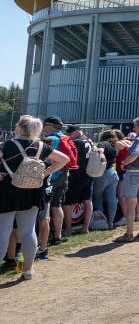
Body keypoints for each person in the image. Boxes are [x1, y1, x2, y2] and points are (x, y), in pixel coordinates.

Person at [0, 115, 69, 280]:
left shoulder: (8, 145)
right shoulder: (41, 146)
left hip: (8, 191)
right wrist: (44, 174)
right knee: (28, 231)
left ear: (18, 128)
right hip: (32, 191)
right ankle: (28, 270)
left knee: (3, 231)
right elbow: (64, 160)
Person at [42, 116, 76, 245]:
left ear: (50, 126)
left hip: (51, 175)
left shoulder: (51, 139)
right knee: (57, 205)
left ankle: (43, 238)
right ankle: (58, 235)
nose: (43, 127)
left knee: (45, 207)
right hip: (63, 175)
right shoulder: (66, 138)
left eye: (45, 125)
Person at [63, 125, 96, 235]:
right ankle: (85, 227)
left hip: (78, 175)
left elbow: (73, 159)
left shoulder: (77, 142)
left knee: (68, 202)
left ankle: (68, 229)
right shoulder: (89, 140)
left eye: (70, 134)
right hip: (90, 173)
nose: (69, 136)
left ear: (77, 132)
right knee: (87, 200)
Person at [91, 130, 119, 230]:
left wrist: (97, 150)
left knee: (97, 197)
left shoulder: (103, 143)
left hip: (102, 174)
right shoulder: (114, 146)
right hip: (113, 172)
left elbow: (100, 150)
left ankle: (102, 222)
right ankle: (111, 222)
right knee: (112, 199)